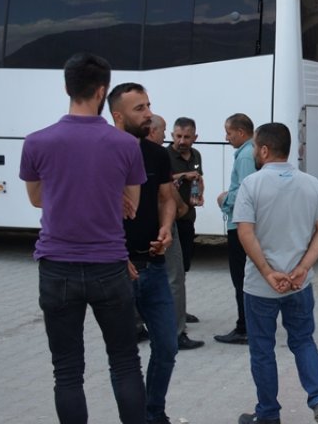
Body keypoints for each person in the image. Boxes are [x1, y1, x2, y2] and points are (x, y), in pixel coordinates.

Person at [21, 53, 147, 424]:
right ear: (101, 91)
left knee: (68, 371)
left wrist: (65, 189)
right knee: (125, 363)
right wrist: (107, 192)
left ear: (67, 88)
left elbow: (36, 198)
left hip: (56, 267)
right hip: (109, 267)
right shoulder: (125, 145)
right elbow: (132, 207)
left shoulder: (37, 141)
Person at [233, 123, 318, 424]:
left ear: (264, 150)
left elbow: (245, 233)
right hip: (299, 283)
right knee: (303, 341)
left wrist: (268, 272)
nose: (254, 152)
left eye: (255, 147)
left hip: (260, 286)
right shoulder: (311, 184)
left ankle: (268, 414)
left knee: (262, 350)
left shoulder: (251, 185)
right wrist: (303, 268)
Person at [108, 83, 179, 424]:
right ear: (117, 116)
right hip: (115, 271)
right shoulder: (101, 152)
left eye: (148, 105)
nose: (149, 113)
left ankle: (154, 413)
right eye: (140, 108)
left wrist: (166, 229)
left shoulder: (156, 154)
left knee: (166, 346)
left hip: (153, 265)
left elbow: (166, 198)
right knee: (125, 356)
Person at [215, 113, 256, 345]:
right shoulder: (248, 152)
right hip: (242, 223)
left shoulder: (245, 157)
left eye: (229, 132)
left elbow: (246, 190)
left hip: (239, 224)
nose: (226, 137)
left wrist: (225, 199)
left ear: (241, 132)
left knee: (240, 278)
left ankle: (245, 327)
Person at [165, 116, 205, 350]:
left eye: (186, 137)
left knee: (183, 268)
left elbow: (199, 178)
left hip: (188, 217)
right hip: (171, 220)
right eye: (178, 136)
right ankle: (171, 317)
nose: (181, 141)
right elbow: (162, 181)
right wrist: (183, 176)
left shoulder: (196, 155)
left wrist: (199, 193)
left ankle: (180, 309)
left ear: (194, 137)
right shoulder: (165, 155)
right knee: (171, 272)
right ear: (172, 135)